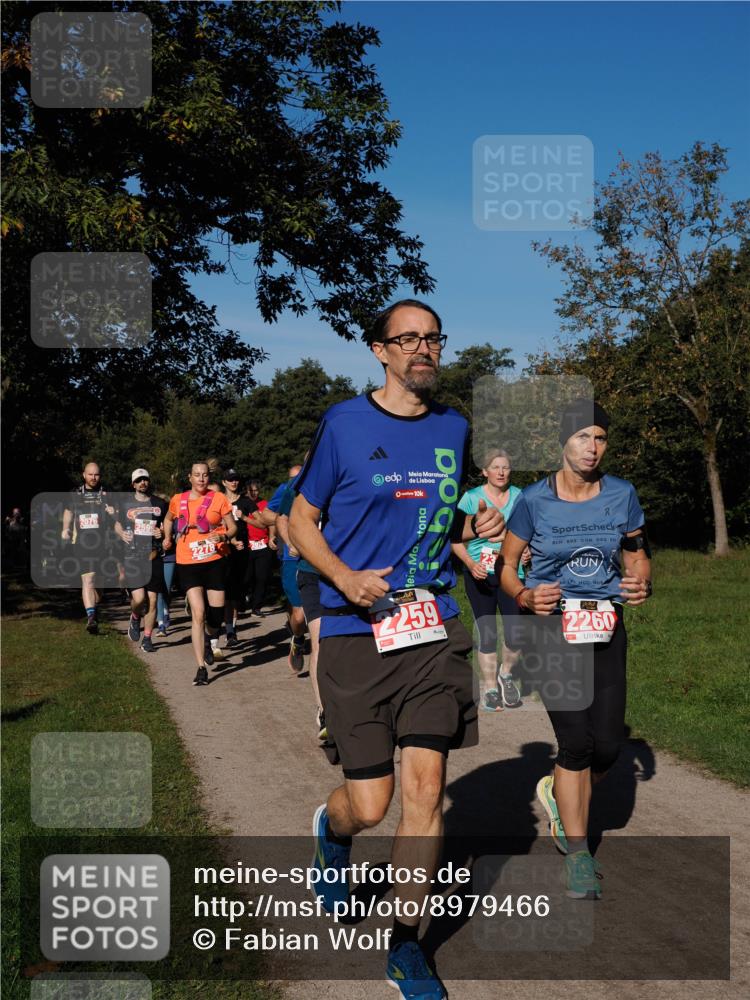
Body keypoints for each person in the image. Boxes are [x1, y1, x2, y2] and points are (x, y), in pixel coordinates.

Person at [289, 299, 503, 999]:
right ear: (379, 350)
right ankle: (333, 830)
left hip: (431, 627)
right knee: (371, 804)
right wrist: (344, 578)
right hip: (356, 629)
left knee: (426, 792)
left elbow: (445, 515)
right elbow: (300, 520)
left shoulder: (453, 426)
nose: (422, 349)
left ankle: (406, 945)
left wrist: (474, 525)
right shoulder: (344, 424)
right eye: (406, 339)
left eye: (432, 338)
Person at [498, 399, 652, 900]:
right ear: (562, 443)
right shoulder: (533, 500)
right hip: (552, 627)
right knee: (577, 744)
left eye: (600, 437)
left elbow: (636, 550)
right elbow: (507, 565)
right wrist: (524, 596)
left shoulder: (622, 494)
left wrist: (641, 580)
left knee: (607, 746)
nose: (592, 447)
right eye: (582, 436)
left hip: (605, 625)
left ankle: (556, 789)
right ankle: (579, 853)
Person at [452, 449, 529, 711]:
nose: (501, 472)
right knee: (487, 634)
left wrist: (528, 550)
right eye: (495, 467)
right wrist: (470, 563)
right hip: (480, 573)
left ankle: (505, 675)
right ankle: (490, 688)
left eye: (505, 467)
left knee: (515, 633)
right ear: (485, 471)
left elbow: (529, 531)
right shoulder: (471, 499)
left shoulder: (520, 497)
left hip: (511, 572)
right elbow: (453, 538)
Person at [162, 462, 237, 686]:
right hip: (188, 561)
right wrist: (167, 537)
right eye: (197, 475)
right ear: (190, 477)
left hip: (214, 561)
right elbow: (168, 519)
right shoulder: (178, 499)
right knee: (198, 613)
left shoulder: (219, 498)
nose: (201, 479)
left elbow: (233, 526)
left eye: (205, 475)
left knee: (216, 616)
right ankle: (201, 668)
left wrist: (224, 536)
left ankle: (209, 638)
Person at [61, 462, 116, 634]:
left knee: (99, 587)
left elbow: (117, 515)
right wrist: (65, 529)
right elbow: (69, 512)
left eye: (96, 474)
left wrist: (114, 513)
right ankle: (91, 617)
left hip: (103, 544)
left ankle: (94, 608)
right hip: (82, 544)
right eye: (90, 474)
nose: (93, 477)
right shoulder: (75, 494)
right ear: (84, 475)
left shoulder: (107, 493)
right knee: (88, 579)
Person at [118, 470, 169, 653]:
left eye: (145, 479)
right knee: (139, 599)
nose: (142, 483)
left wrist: (163, 533)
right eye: (139, 480)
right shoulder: (125, 504)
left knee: (153, 600)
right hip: (133, 556)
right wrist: (121, 533)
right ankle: (134, 615)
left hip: (153, 555)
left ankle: (147, 639)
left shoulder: (160, 503)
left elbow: (168, 524)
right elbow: (116, 523)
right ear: (133, 484)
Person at [264, 465, 306, 672]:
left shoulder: (322, 486)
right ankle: (298, 638)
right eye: (292, 478)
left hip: (320, 556)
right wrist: (287, 517)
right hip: (292, 557)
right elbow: (265, 515)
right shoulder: (286, 490)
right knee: (299, 614)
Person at [222, 468, 255, 648]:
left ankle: (231, 630)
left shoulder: (246, 502)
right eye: (230, 479)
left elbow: (261, 522)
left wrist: (245, 518)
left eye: (236, 479)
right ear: (224, 482)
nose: (234, 482)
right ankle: (216, 631)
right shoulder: (217, 500)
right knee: (221, 593)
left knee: (233, 594)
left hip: (240, 552)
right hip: (220, 550)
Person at [244, 481, 272, 615]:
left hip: (262, 544)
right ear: (246, 491)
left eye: (256, 490)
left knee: (262, 577)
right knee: (247, 577)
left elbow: (272, 523)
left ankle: (257, 607)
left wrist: (272, 537)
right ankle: (243, 599)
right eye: (251, 490)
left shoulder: (265, 504)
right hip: (247, 545)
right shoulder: (242, 503)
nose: (253, 493)